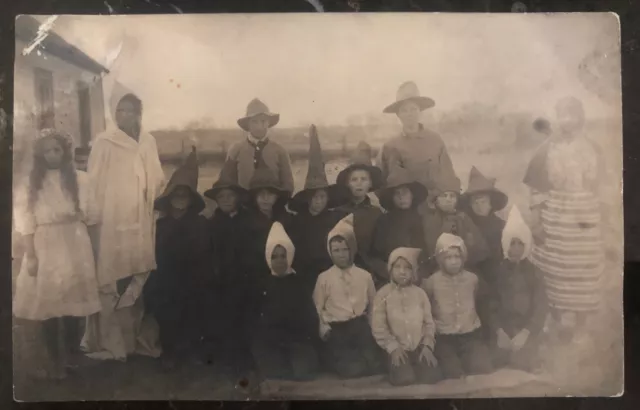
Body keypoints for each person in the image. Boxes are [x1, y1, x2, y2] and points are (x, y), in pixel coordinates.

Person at [81, 93, 166, 361]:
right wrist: (93, 216)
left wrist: (152, 199)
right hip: (111, 218)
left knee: (136, 271)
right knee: (110, 274)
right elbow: (94, 182)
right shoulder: (105, 142)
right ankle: (108, 340)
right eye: (119, 110)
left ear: (139, 114)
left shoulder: (148, 141)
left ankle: (132, 337)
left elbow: (157, 177)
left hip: (139, 216)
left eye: (129, 111)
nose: (123, 116)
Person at [13, 129, 101, 379]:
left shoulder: (81, 180)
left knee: (73, 301)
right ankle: (54, 359)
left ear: (65, 152)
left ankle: (73, 355)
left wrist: (93, 250)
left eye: (57, 149)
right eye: (47, 151)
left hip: (74, 242)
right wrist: (30, 255)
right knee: (49, 304)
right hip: (46, 244)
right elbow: (26, 222)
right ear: (39, 155)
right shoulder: (31, 185)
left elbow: (92, 216)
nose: (53, 155)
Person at [524, 97, 605, 344]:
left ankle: (581, 323)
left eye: (573, 115)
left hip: (585, 214)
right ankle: (559, 318)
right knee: (556, 267)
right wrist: (537, 219)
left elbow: (601, 185)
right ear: (556, 119)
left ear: (580, 118)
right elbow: (536, 187)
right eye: (563, 115)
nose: (568, 121)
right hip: (555, 212)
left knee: (583, 266)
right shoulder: (546, 149)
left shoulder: (592, 147)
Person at [143, 148, 209, 369]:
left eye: (185, 195)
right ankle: (169, 352)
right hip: (166, 280)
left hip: (193, 280)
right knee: (167, 314)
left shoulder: (200, 224)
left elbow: (204, 254)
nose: (180, 199)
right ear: (169, 198)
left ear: (191, 200)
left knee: (194, 313)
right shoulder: (160, 226)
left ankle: (190, 351)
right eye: (176, 195)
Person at [313, 215, 383, 378]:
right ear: (330, 252)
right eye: (336, 251)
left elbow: (373, 304)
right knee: (349, 367)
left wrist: (372, 326)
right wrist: (325, 328)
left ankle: (363, 361)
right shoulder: (324, 278)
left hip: (359, 325)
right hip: (337, 328)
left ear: (352, 249)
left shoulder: (364, 276)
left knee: (374, 362)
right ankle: (343, 363)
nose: (341, 255)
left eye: (345, 249)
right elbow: (318, 307)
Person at [251, 222, 319, 381]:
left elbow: (308, 314)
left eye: (283, 256)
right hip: (271, 338)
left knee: (303, 372)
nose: (279, 261)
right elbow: (255, 315)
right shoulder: (262, 283)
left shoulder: (299, 282)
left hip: (296, 338)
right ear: (268, 258)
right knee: (274, 372)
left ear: (290, 256)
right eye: (274, 257)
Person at [421, 233, 493, 380]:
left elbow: (480, 302)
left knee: (482, 367)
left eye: (457, 257)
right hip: (445, 336)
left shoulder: (472, 279)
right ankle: (453, 363)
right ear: (441, 259)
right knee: (453, 372)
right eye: (448, 257)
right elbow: (425, 308)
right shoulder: (432, 282)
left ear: (463, 258)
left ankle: (469, 358)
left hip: (469, 334)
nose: (454, 261)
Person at [379, 81, 457, 214]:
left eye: (413, 109)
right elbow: (382, 182)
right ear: (398, 115)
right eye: (404, 110)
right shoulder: (390, 146)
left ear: (420, 111)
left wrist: (445, 200)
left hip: (435, 209)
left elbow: (448, 175)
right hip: (405, 210)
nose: (409, 114)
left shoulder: (435, 140)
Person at [203, 158, 251, 370]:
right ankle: (225, 354)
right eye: (221, 197)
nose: (225, 200)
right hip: (221, 279)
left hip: (245, 277)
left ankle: (245, 353)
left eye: (229, 196)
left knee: (245, 314)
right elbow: (210, 253)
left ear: (238, 198)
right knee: (223, 315)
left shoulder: (247, 220)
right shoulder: (213, 223)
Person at [288, 124, 347, 293]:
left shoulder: (334, 219)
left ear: (328, 198)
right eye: (313, 197)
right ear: (307, 198)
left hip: (329, 274)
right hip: (304, 275)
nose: (318, 201)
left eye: (322, 197)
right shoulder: (298, 220)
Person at [372, 247, 442, 386]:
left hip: (418, 346)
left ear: (413, 272)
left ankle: (417, 365)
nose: (402, 271)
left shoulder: (420, 294)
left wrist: (427, 345)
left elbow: (429, 323)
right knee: (404, 379)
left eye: (407, 268)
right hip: (396, 348)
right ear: (391, 270)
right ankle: (401, 369)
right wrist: (392, 347)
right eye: (397, 267)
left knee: (433, 377)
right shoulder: (382, 294)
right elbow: (379, 326)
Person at [489, 206, 547, 372]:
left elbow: (541, 306)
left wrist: (526, 332)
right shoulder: (498, 271)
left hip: (525, 328)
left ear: (526, 245)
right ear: (505, 245)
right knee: (491, 362)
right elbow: (491, 304)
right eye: (511, 243)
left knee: (525, 362)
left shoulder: (535, 272)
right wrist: (499, 331)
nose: (515, 248)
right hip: (504, 328)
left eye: (520, 244)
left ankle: (526, 353)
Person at [335, 141, 388, 288]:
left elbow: (380, 252)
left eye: (363, 179)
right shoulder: (337, 213)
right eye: (354, 180)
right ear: (347, 184)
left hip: (370, 273)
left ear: (370, 184)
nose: (359, 184)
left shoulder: (377, 214)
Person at [422, 172, 489, 278]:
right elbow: (431, 249)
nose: (448, 199)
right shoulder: (431, 220)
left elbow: (480, 247)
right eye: (444, 196)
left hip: (466, 268)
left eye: (452, 196)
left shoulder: (464, 218)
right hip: (438, 270)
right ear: (436, 200)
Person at [226, 98, 294, 193]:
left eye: (263, 121)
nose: (259, 126)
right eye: (255, 122)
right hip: (243, 205)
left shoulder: (279, 151)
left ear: (268, 123)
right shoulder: (236, 150)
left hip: (271, 205)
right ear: (248, 124)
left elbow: (287, 185)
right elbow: (228, 183)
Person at [372, 166, 427, 279]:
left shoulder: (422, 219)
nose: (402, 197)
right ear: (392, 198)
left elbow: (427, 252)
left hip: (418, 275)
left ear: (412, 195)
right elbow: (376, 254)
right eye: (397, 193)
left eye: (405, 192)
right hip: (391, 275)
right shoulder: (384, 221)